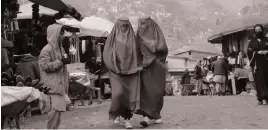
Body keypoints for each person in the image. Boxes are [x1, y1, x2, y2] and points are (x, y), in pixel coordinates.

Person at [103, 17, 141, 129]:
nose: (124, 28)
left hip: (132, 72)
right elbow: (107, 53)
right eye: (122, 25)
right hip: (116, 72)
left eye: (126, 25)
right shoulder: (112, 37)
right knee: (118, 94)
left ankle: (127, 119)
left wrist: (137, 65)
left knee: (131, 97)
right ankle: (116, 112)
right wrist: (113, 66)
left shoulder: (133, 38)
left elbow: (137, 53)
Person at [135, 17, 168, 127]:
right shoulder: (139, 35)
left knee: (156, 92)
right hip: (145, 69)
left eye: (145, 24)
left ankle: (156, 114)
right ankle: (147, 116)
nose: (142, 26)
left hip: (156, 67)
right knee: (146, 92)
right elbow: (135, 51)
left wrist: (150, 51)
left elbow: (163, 49)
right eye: (141, 24)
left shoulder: (157, 35)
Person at [39, 24, 71, 129]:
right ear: (54, 34)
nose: (63, 35)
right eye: (61, 33)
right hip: (51, 88)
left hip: (59, 87)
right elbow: (45, 66)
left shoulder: (60, 48)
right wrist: (60, 62)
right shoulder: (46, 50)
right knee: (53, 115)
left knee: (57, 116)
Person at [247, 24, 268, 105]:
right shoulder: (252, 41)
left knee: (266, 78)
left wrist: (267, 51)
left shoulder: (266, 39)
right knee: (259, 80)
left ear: (262, 30)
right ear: (254, 31)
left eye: (260, 29)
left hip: (266, 61)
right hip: (257, 63)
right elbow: (249, 52)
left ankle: (267, 97)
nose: (258, 31)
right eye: (257, 30)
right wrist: (257, 52)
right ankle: (260, 98)